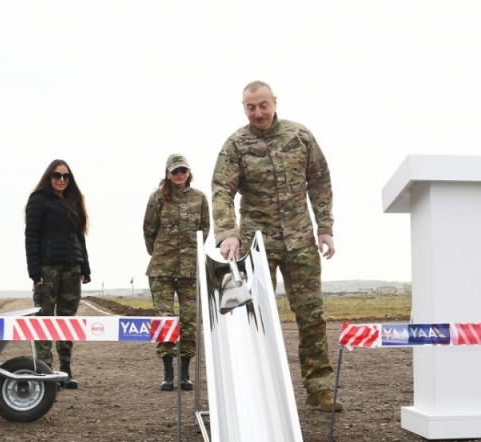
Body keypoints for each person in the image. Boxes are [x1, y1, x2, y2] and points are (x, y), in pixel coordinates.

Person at [211, 80, 343, 412]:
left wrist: (325, 227)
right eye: (251, 107)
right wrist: (228, 232)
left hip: (300, 241)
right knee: (253, 317)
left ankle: (320, 389)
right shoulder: (236, 145)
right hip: (257, 244)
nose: (258, 112)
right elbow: (221, 190)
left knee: (311, 316)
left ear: (274, 102)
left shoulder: (300, 137)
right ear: (244, 108)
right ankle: (257, 391)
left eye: (263, 105)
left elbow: (320, 180)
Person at [143, 154, 210, 391]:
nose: (179, 174)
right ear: (167, 174)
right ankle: (168, 372)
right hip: (162, 269)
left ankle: (184, 372)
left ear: (189, 173)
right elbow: (149, 230)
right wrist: (161, 253)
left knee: (189, 320)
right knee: (164, 320)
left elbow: (204, 229)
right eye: (175, 171)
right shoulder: (158, 198)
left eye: (183, 170)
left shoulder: (200, 198)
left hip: (190, 271)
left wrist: (190, 255)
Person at [25, 159, 91, 390]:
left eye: (65, 176)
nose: (61, 179)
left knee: (66, 320)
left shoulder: (74, 200)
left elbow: (80, 236)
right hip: (47, 269)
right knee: (44, 317)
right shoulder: (38, 201)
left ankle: (65, 369)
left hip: (72, 268)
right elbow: (31, 236)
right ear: (49, 177)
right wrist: (34, 271)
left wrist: (85, 267)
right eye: (56, 175)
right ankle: (44, 370)